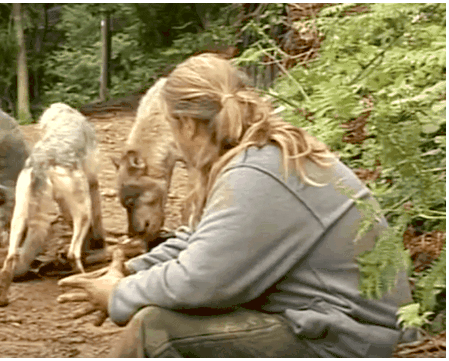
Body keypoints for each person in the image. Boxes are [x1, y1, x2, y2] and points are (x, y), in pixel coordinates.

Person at [57, 53, 415, 357]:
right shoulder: (260, 154)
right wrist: (131, 269)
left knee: (156, 330)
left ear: (188, 126)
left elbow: (201, 280)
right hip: (333, 324)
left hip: (349, 339)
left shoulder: (258, 172)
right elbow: (202, 241)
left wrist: (120, 294)